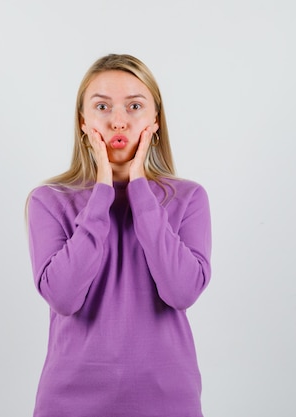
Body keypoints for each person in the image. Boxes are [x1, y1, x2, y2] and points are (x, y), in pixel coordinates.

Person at [26, 54, 212, 417]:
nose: (118, 121)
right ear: (83, 120)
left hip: (168, 401)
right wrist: (101, 191)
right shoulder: (49, 201)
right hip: (69, 402)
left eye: (134, 106)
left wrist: (141, 188)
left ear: (155, 120)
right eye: (102, 106)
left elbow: (181, 291)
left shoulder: (189, 198)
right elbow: (63, 297)